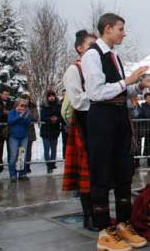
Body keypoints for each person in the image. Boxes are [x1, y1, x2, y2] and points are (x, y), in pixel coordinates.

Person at [82, 13, 150, 249]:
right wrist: (128, 81)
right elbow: (96, 93)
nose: (124, 33)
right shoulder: (92, 56)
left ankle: (124, 224)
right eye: (121, 29)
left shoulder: (114, 55)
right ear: (108, 29)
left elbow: (119, 91)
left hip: (119, 117)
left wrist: (140, 85)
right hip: (102, 118)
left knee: (123, 172)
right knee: (102, 173)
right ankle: (105, 231)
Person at [62, 29, 98, 232]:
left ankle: (100, 212)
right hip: (84, 122)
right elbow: (77, 100)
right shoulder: (74, 70)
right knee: (87, 173)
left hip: (98, 122)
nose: (95, 50)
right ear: (80, 48)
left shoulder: (97, 68)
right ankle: (88, 216)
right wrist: (100, 97)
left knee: (99, 171)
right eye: (91, 46)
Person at [8, 98, 31, 182]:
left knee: (22, 156)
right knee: (13, 156)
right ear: (17, 105)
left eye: (25, 106)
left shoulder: (26, 113)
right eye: (22, 105)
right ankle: (12, 175)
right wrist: (19, 116)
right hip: (14, 137)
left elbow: (29, 124)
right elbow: (10, 121)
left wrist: (25, 117)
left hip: (24, 136)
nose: (23, 107)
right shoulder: (12, 112)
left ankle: (22, 174)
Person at [40, 90, 62, 174]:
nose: (51, 97)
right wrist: (50, 119)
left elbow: (61, 116)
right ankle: (48, 164)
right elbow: (42, 117)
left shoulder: (58, 105)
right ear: (47, 97)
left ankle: (53, 163)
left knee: (54, 149)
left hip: (55, 130)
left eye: (53, 96)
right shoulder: (44, 106)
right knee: (46, 149)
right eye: (50, 96)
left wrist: (57, 119)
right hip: (46, 130)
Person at [20, 92, 39, 174]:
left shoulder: (33, 106)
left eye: (27, 99)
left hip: (30, 130)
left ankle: (27, 166)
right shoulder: (18, 106)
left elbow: (35, 117)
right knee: (21, 149)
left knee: (28, 150)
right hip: (20, 130)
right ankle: (20, 166)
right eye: (24, 99)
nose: (26, 101)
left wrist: (27, 116)